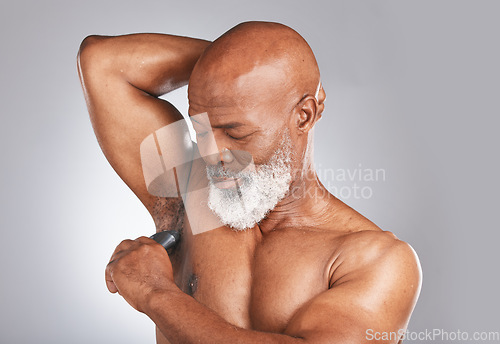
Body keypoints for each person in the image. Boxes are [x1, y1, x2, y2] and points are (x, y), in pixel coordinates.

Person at [77, 21, 421, 344]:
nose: (212, 155)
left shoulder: (377, 261)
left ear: (304, 115)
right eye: (201, 131)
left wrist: (155, 293)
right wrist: (232, 66)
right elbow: (103, 63)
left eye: (235, 132)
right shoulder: (190, 195)